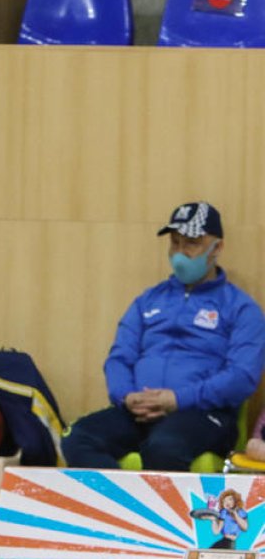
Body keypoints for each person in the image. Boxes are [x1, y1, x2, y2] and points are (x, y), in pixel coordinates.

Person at [62, 202, 265, 471]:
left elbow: (241, 377)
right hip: (138, 411)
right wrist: (126, 397)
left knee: (164, 447)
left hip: (203, 415)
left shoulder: (241, 308)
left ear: (217, 248)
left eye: (191, 243)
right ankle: (122, 507)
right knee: (78, 437)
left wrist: (178, 398)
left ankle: (148, 512)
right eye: (175, 242)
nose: (180, 253)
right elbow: (119, 358)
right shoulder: (147, 301)